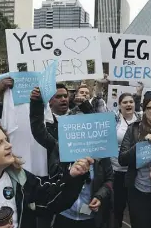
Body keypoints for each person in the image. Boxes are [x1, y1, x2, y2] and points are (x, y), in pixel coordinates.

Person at [0, 122, 93, 228]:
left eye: (6, 140)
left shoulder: (20, 178)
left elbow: (51, 201)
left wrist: (73, 175)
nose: (9, 145)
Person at [30, 88, 114, 228]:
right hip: (64, 215)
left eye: (86, 128)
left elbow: (110, 180)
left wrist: (100, 196)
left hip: (91, 218)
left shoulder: (101, 153)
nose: (82, 132)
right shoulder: (60, 148)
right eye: (78, 128)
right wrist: (37, 102)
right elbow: (39, 130)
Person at [119, 92, 151, 228]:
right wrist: (142, 144)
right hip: (139, 192)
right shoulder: (133, 129)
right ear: (144, 110)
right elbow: (122, 159)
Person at [112, 89, 143, 228]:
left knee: (136, 209)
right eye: (125, 102)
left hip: (136, 172)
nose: (128, 104)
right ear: (119, 105)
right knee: (117, 208)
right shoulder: (113, 120)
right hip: (116, 171)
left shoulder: (142, 119)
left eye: (131, 101)